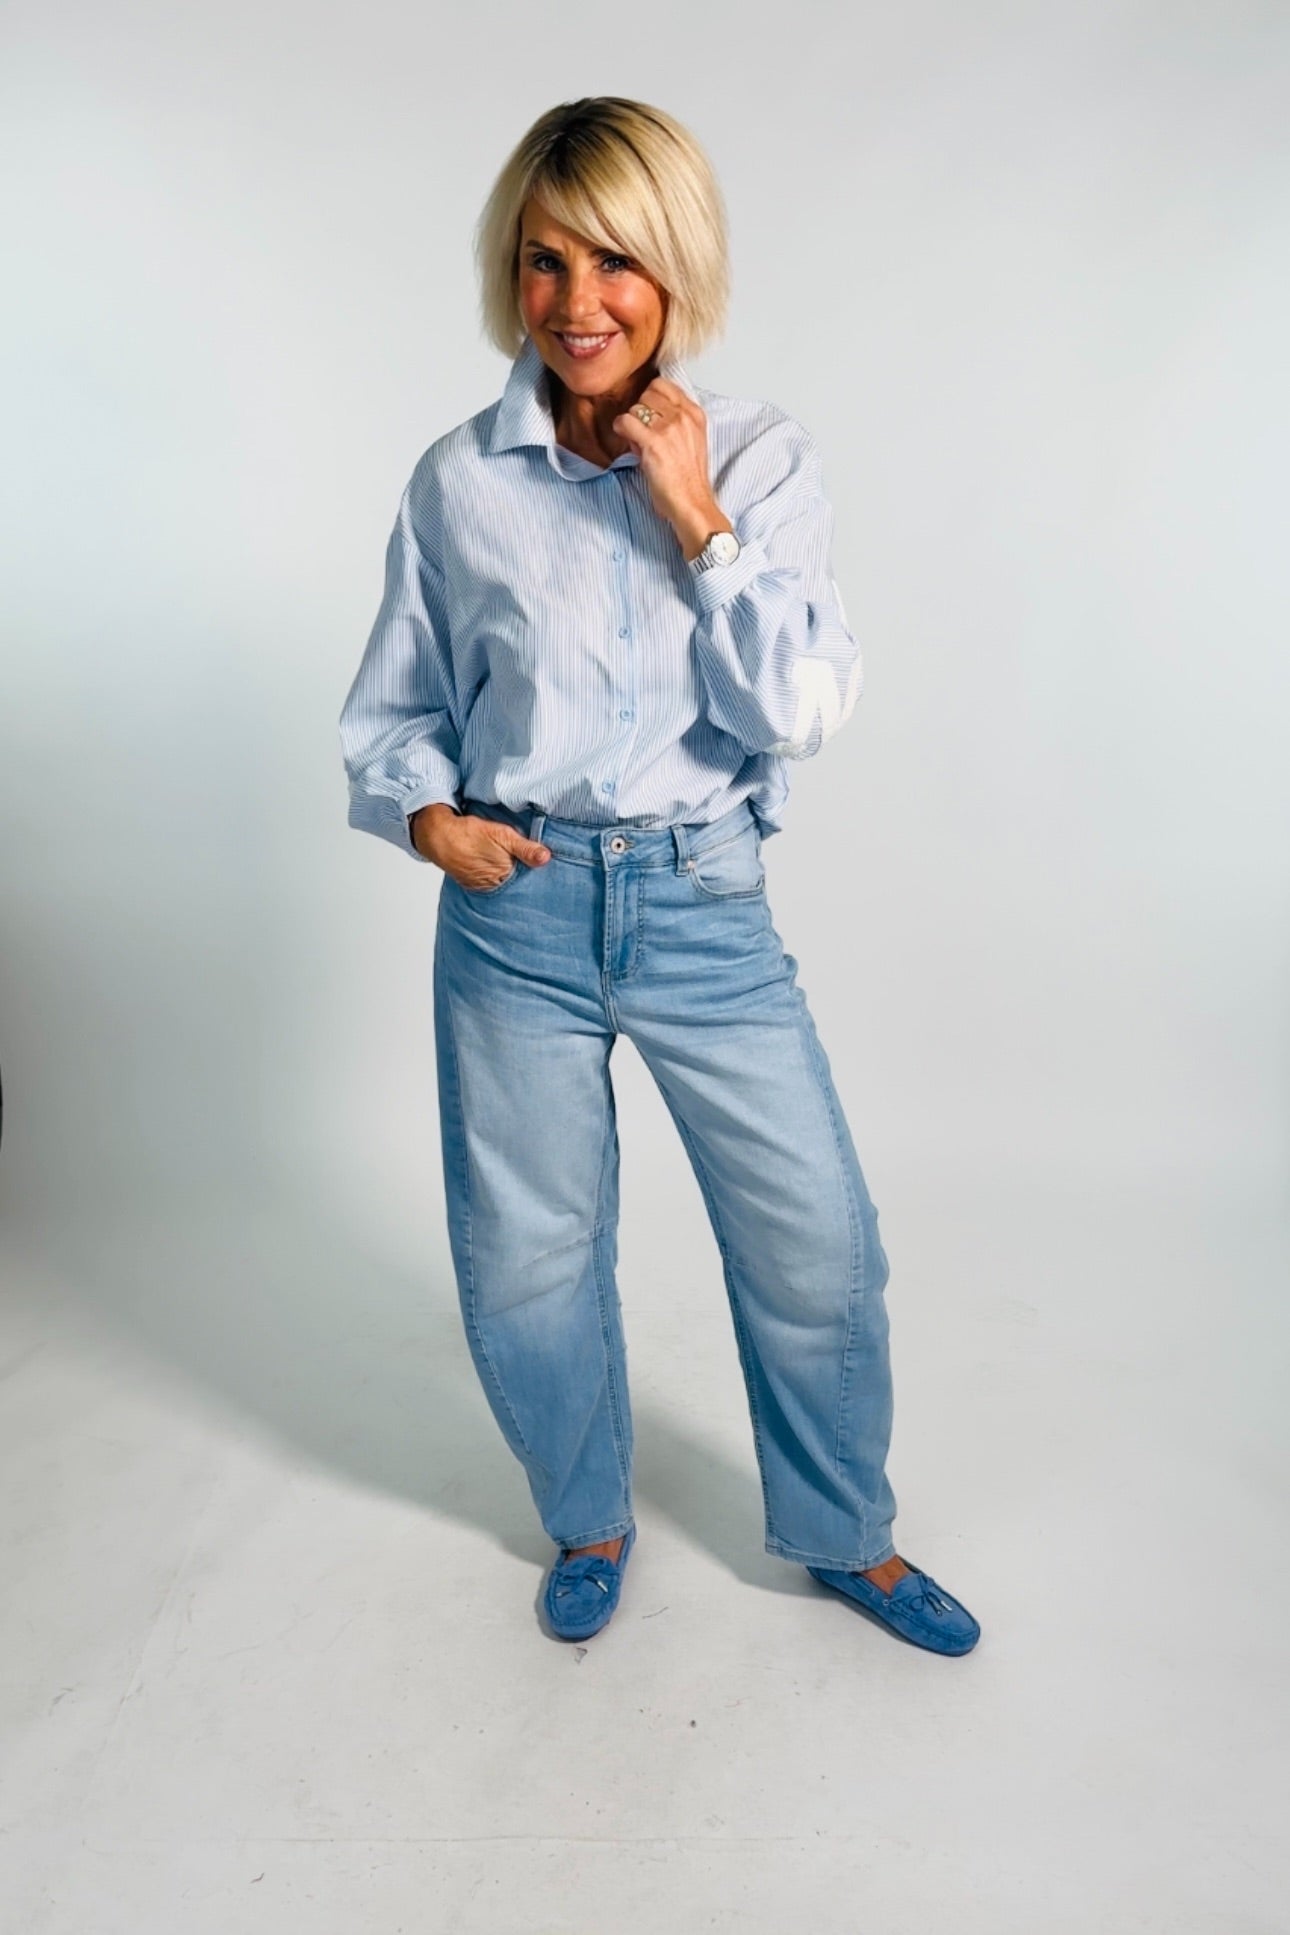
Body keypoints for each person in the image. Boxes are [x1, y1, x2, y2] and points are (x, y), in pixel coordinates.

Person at [339, 96, 980, 1656]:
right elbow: (394, 711)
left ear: (676, 264)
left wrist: (695, 517)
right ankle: (588, 1518)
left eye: (615, 260)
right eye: (544, 260)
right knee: (530, 1255)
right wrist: (427, 820)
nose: (577, 303)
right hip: (516, 910)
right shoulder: (457, 482)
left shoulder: (759, 457)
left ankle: (843, 1536)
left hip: (702, 904)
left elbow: (799, 710)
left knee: (814, 1239)